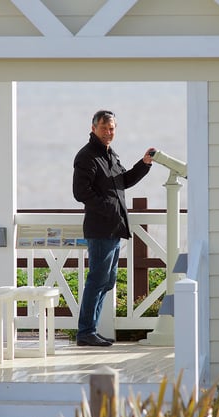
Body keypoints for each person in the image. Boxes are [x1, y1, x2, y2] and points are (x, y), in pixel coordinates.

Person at [72, 109, 154, 347]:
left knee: (107, 282)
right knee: (97, 281)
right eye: (104, 128)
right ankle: (85, 331)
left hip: (114, 228)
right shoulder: (86, 156)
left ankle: (90, 330)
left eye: (112, 128)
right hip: (100, 229)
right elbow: (80, 193)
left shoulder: (110, 155)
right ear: (93, 128)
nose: (109, 132)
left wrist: (144, 164)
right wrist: (108, 207)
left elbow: (123, 182)